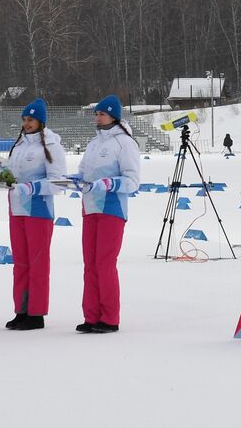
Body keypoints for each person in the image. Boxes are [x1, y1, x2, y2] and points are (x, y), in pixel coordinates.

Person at [74, 95, 141, 334]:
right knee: (90, 264)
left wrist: (108, 184)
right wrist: (75, 179)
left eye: (101, 113)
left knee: (104, 263)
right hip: (90, 207)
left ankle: (109, 318)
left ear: (113, 115)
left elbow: (132, 181)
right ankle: (91, 316)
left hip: (111, 209)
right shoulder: (93, 144)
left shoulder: (125, 143)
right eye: (96, 113)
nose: (97, 117)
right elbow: (83, 172)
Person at [4, 97, 68, 331]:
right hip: (17, 208)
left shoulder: (51, 146)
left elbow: (58, 182)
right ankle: (21, 310)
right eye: (24, 119)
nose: (26, 123)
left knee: (38, 263)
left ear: (41, 121)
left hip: (38, 210)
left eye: (31, 119)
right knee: (20, 262)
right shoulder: (19, 144)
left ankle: (36, 313)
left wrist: (32, 187)